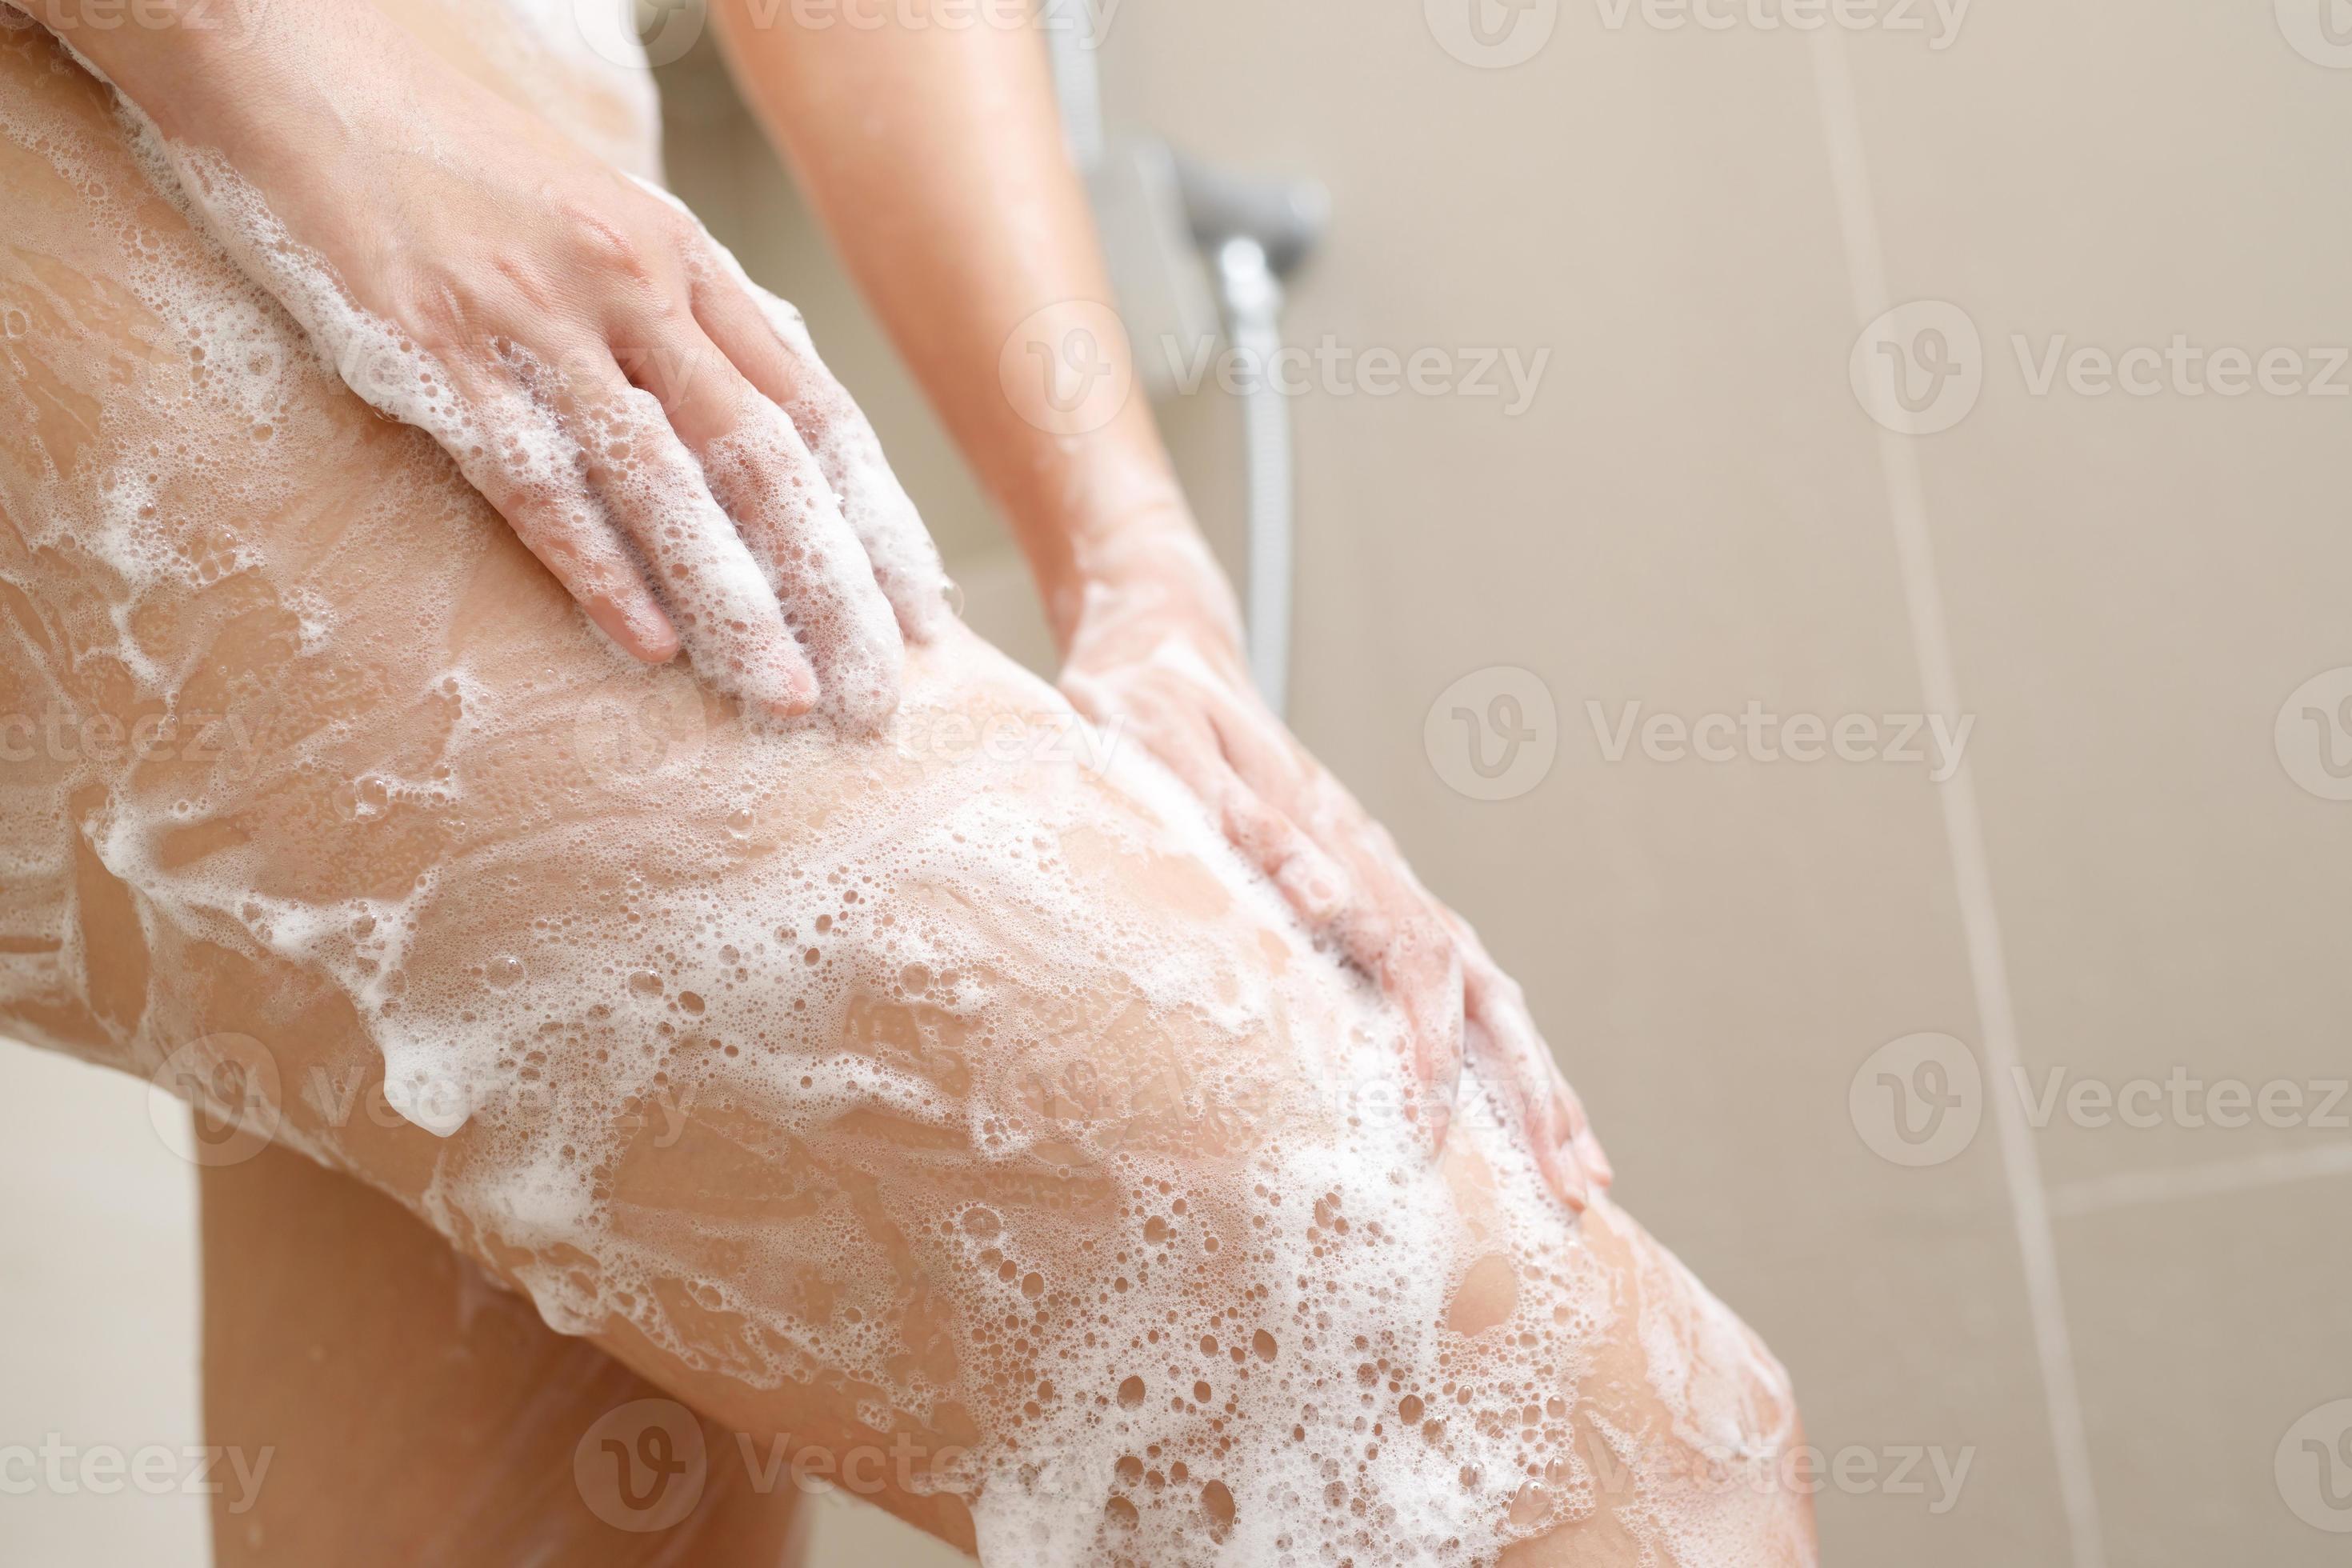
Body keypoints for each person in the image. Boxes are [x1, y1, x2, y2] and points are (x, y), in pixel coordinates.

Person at [0, 2, 1812, 1563]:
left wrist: (1130, 554)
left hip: (329, 263)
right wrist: (268, 56)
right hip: (155, 208)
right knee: (1601, 1458)